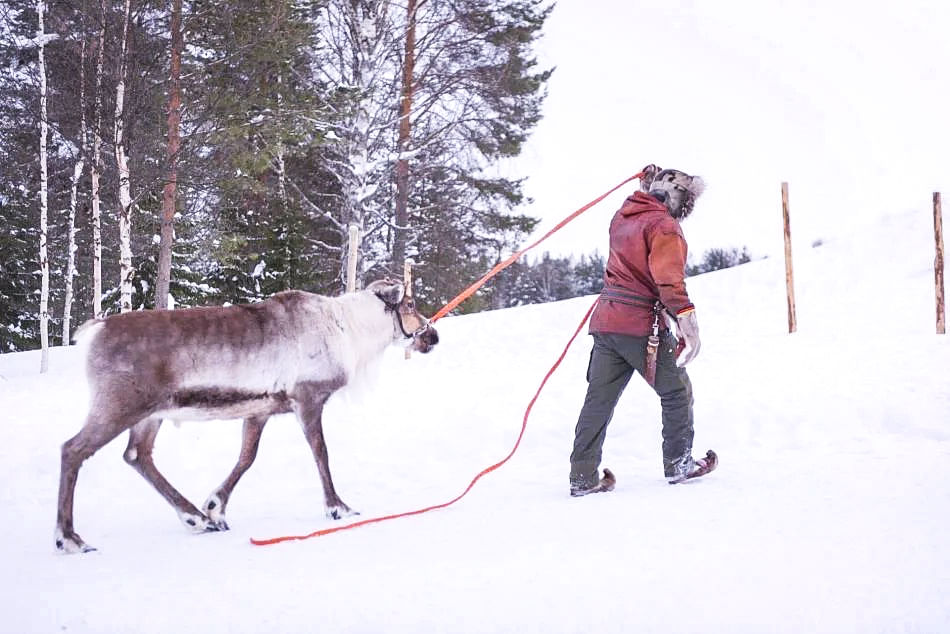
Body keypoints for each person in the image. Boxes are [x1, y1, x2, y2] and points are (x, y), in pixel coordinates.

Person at [569, 164, 717, 496]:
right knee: (677, 392)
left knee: (598, 401)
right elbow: (668, 281)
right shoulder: (664, 226)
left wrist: (647, 182)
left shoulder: (622, 217)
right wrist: (689, 325)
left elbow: (637, 238)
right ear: (679, 199)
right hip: (641, 327)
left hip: (606, 322)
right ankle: (679, 465)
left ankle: (582, 478)